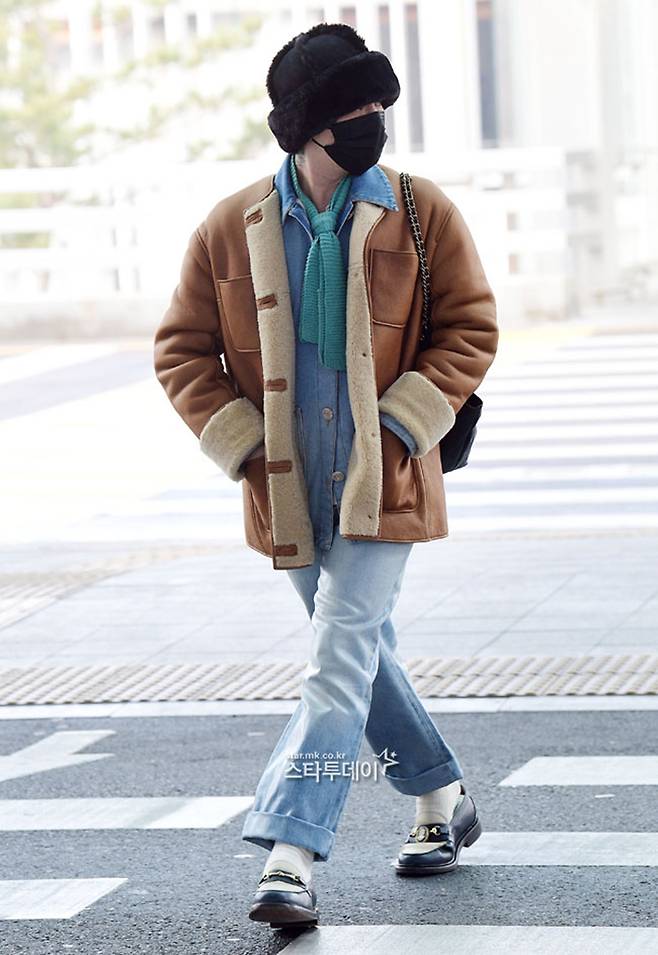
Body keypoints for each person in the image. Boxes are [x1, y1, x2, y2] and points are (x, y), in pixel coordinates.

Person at [153, 21, 499, 931]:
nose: (374, 120)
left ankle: (290, 852)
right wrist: (244, 449)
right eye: (355, 107)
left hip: (385, 480)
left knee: (335, 658)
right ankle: (442, 795)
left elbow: (470, 326)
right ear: (306, 125)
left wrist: (401, 426)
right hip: (289, 490)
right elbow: (181, 350)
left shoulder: (420, 211)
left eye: (380, 103)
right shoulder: (231, 227)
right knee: (357, 653)